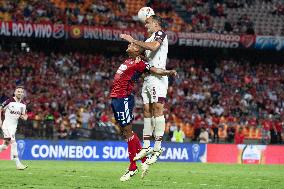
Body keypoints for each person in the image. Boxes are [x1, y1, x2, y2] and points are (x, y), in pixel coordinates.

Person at [110, 41, 177, 182]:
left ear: (137, 51)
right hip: (116, 99)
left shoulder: (139, 63)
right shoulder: (130, 60)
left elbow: (155, 70)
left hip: (124, 99)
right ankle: (144, 160)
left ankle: (132, 167)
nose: (129, 45)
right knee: (125, 132)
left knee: (127, 132)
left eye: (133, 45)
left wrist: (169, 72)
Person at [121, 14, 169, 165]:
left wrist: (134, 40)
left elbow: (155, 47)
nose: (146, 25)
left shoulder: (160, 34)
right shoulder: (148, 39)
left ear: (155, 24)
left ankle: (158, 148)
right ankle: (147, 146)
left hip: (158, 78)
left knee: (157, 109)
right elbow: (146, 56)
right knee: (147, 110)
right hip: (148, 78)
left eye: (148, 23)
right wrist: (134, 54)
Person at [0, 86, 28, 170]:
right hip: (6, 125)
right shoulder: (9, 101)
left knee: (5, 146)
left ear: (23, 94)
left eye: (21, 92)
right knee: (14, 143)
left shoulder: (23, 104)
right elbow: (0, 108)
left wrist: (25, 117)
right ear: (15, 92)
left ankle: (18, 164)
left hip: (13, 127)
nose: (19, 93)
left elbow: (24, 114)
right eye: (18, 91)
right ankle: (18, 164)